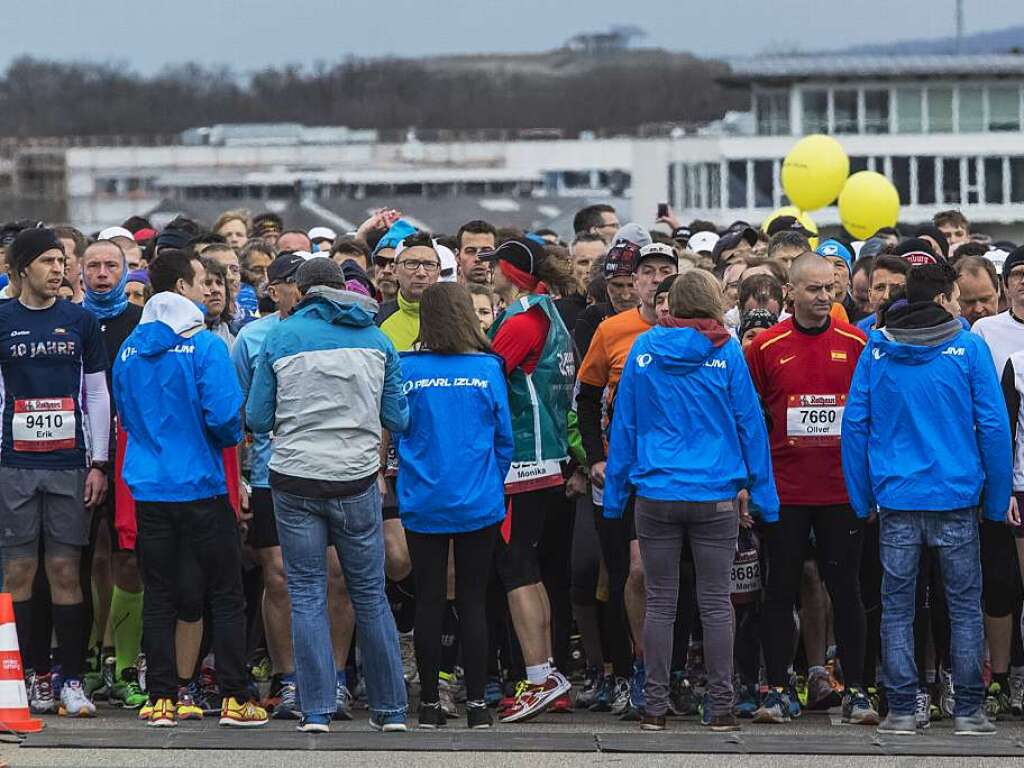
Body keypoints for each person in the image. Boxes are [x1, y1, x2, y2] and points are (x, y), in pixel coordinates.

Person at [604, 270, 779, 732]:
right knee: (716, 603)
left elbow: (625, 426)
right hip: (716, 493)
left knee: (661, 602)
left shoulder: (644, 350)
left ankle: (655, 709)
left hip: (656, 492)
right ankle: (721, 708)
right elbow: (750, 425)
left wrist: (615, 495)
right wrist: (764, 494)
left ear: (672, 306)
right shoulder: (727, 351)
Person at [842, 262, 1011, 737]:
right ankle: (970, 711)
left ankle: (900, 710)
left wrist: (861, 499)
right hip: (956, 498)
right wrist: (995, 502)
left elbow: (855, 427)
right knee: (963, 605)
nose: (960, 306)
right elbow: (995, 428)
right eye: (956, 297)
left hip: (896, 498)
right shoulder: (969, 347)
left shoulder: (877, 349)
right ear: (941, 299)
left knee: (897, 606)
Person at [246, 257, 409, 734]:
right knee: (370, 593)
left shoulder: (279, 337)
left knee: (306, 592)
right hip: (357, 479)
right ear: (344, 290)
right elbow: (398, 417)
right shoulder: (379, 340)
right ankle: (391, 710)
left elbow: (257, 418)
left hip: (294, 478)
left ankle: (315, 710)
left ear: (300, 291)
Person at [113, 249, 267, 729]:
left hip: (150, 487)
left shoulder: (129, 347)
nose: (208, 288)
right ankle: (236, 697)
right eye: (201, 280)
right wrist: (216, 439)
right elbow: (225, 417)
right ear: (182, 286)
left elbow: (127, 414)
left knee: (160, 595)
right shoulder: (204, 345)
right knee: (224, 594)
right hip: (201, 485)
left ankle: (161, 697)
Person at [745, 253, 877, 725]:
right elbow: (749, 418)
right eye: (813, 289)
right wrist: (750, 485)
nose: (824, 297)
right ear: (790, 293)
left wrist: (870, 488)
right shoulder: (764, 347)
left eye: (829, 288)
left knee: (847, 591)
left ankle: (858, 690)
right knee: (779, 592)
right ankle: (779, 688)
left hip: (842, 492)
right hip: (785, 493)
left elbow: (872, 420)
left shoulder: (857, 343)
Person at [231, 252, 356, 721]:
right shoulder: (253, 336)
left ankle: (336, 678)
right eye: (290, 284)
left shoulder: (348, 333)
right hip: (271, 473)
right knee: (280, 578)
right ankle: (289, 680)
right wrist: (241, 478)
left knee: (337, 576)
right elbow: (243, 413)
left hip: (338, 468)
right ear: (274, 289)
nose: (300, 294)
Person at [0, 227, 110, 718]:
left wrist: (99, 463)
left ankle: (71, 680)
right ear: (22, 268)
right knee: (19, 571)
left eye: (62, 261)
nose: (58, 269)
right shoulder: (2, 319)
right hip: (13, 463)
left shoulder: (81, 321)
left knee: (66, 570)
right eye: (47, 261)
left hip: (69, 463)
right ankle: (29, 675)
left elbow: (99, 394)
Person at [394, 282, 513, 730]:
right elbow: (504, 440)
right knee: (473, 600)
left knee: (427, 600)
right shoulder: (487, 369)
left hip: (423, 498)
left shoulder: (408, 369)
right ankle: (478, 704)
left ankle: (428, 703)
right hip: (478, 499)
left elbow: (398, 430)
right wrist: (488, 481)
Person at [577, 239, 679, 720]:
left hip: (680, 474)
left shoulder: (701, 330)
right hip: (622, 473)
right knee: (628, 573)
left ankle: (672, 671)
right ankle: (633, 668)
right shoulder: (612, 329)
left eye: (666, 270)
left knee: (676, 579)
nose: (657, 279)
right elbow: (586, 395)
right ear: (633, 280)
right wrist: (594, 458)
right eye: (649, 271)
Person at [479, 238, 577, 722]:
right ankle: (548, 674)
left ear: (510, 272)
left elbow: (486, 382)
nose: (486, 272)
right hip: (547, 460)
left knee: (516, 571)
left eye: (492, 265)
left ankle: (538, 676)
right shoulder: (551, 316)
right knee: (529, 572)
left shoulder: (521, 321)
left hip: (520, 462)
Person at [80, 238, 147, 710]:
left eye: (111, 266)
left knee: (127, 559)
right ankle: (87, 659)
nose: (102, 273)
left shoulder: (140, 325)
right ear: (79, 272)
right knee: (84, 559)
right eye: (94, 265)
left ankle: (121, 662)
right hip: (77, 455)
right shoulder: (72, 321)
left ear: (125, 272)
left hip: (127, 457)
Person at [376, 232, 441, 352]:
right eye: (411, 263)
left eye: (429, 265)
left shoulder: (456, 318)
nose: (421, 273)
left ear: (439, 271)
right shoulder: (376, 319)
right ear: (395, 270)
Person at [857, 255, 911, 333]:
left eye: (896, 288)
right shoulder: (859, 334)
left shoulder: (924, 334)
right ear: (870, 294)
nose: (886, 296)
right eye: (880, 288)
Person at [455, 220, 497, 285]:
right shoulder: (444, 294)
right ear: (458, 256)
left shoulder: (513, 294)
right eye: (470, 251)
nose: (478, 259)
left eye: (486, 251)